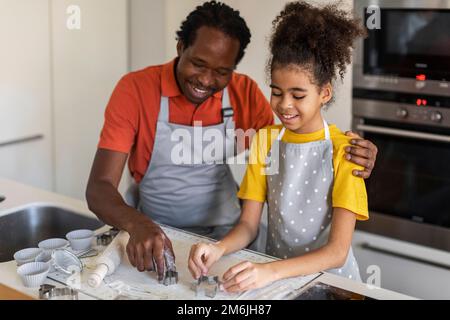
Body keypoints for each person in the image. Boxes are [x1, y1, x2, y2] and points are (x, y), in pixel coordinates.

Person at [86, 1, 377, 279]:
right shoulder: (136, 90)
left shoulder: (246, 95)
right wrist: (138, 225)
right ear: (180, 48)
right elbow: (99, 187)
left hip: (229, 235)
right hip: (158, 232)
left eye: (222, 72)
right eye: (198, 64)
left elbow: (295, 146)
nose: (206, 80)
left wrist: (357, 151)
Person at [188, 1, 369, 292]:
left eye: (298, 95)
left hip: (333, 286)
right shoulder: (265, 140)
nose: (284, 105)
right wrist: (218, 248)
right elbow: (248, 225)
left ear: (324, 93)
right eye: (276, 92)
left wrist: (269, 272)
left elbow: (337, 252)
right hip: (278, 282)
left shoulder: (345, 151)